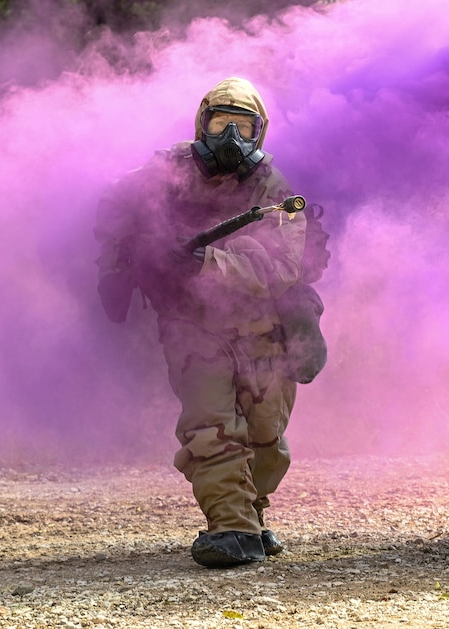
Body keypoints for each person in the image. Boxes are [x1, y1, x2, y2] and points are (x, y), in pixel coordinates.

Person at [94, 77, 329, 568]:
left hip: (261, 323)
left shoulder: (274, 189)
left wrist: (206, 263)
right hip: (189, 321)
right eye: (222, 123)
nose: (231, 139)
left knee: (266, 436)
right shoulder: (163, 172)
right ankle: (232, 528)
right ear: (202, 122)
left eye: (243, 127)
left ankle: (250, 512)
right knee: (212, 426)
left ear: (259, 133)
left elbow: (282, 266)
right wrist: (115, 269)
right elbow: (116, 209)